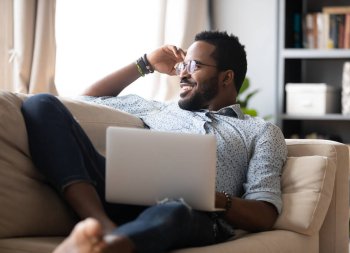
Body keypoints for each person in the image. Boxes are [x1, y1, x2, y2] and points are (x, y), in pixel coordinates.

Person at [21, 31, 287, 253]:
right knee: (41, 104)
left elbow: (264, 213)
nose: (182, 73)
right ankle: (99, 224)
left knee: (175, 210)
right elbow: (83, 102)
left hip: (194, 215)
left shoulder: (260, 131)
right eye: (183, 65)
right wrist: (145, 63)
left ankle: (106, 247)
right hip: (126, 195)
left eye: (194, 66)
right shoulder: (157, 109)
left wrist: (212, 198)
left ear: (226, 77)